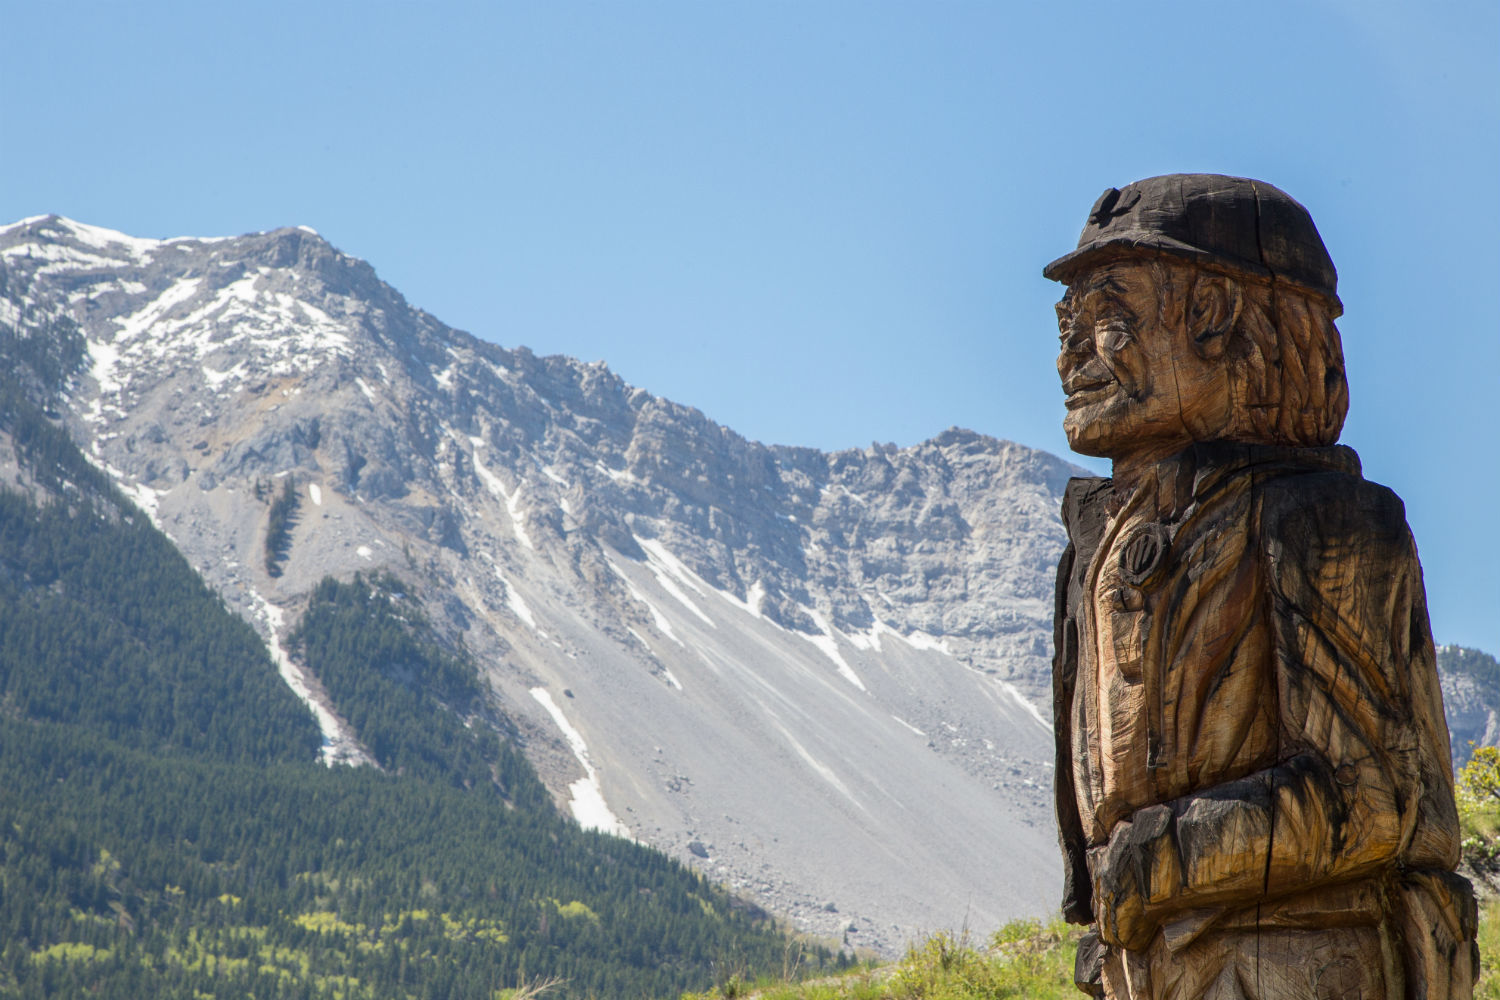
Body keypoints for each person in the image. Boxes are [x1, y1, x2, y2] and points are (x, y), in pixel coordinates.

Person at [1045, 174, 1476, 1000]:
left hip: (1302, 956)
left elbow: (1372, 793)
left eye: (1105, 319)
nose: (1069, 358)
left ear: (1214, 313)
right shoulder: (1094, 549)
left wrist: (1164, 855)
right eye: (1066, 326)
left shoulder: (1322, 522)